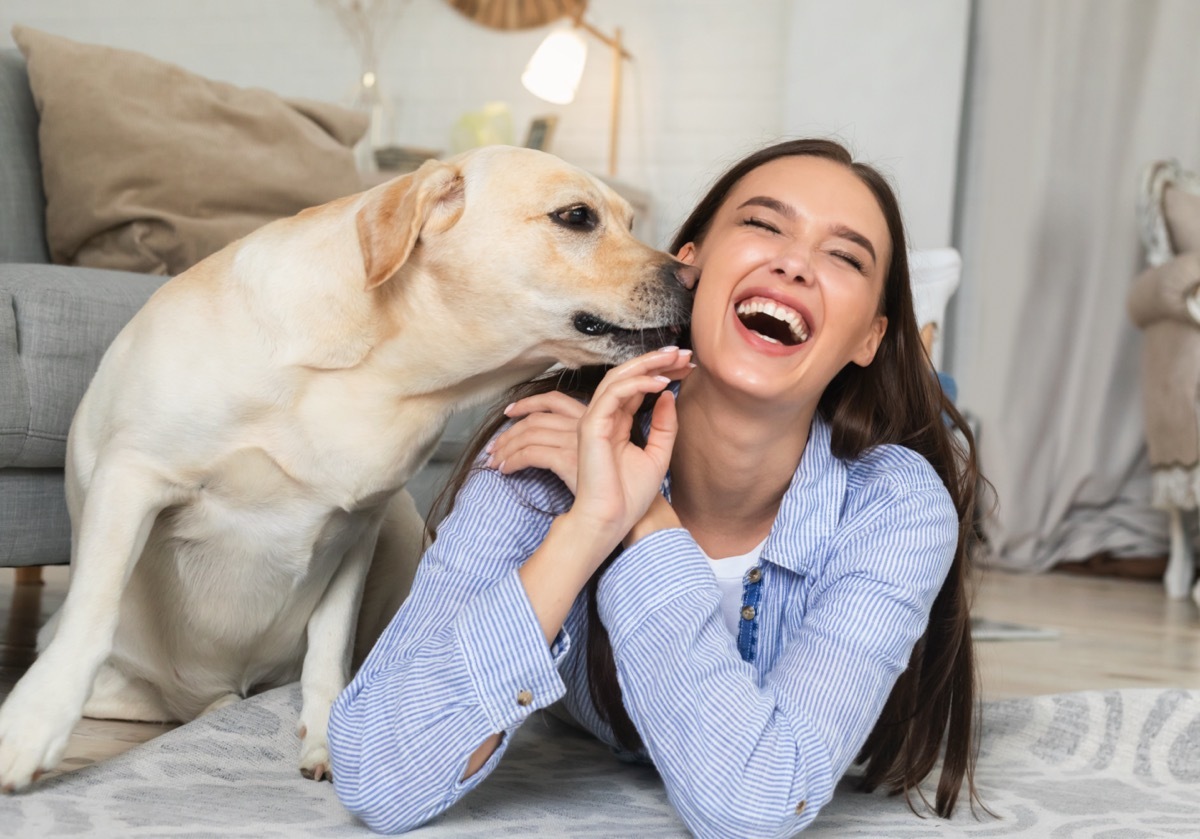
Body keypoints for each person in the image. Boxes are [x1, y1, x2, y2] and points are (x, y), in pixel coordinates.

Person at [327, 138, 984, 836]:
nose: (795, 262)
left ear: (869, 338)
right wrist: (587, 523)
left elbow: (752, 805)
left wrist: (642, 519)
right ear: (688, 267)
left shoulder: (897, 506)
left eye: (845, 256)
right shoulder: (551, 441)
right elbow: (377, 770)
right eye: (765, 225)